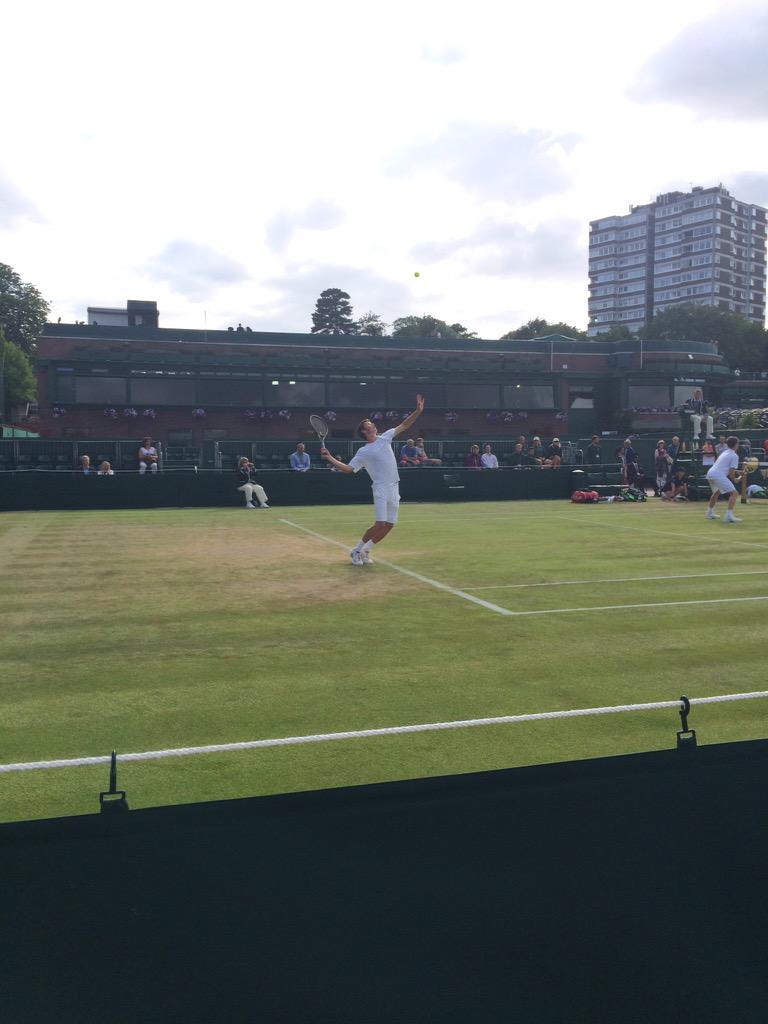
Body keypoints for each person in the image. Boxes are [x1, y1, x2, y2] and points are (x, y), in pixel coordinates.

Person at [320, 395, 424, 565]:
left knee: (390, 524)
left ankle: (367, 549)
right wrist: (330, 458)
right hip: (381, 488)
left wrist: (418, 411)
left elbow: (405, 424)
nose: (374, 426)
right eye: (370, 425)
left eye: (373, 425)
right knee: (380, 523)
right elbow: (349, 469)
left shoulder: (386, 437)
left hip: (394, 487)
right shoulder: (363, 451)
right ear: (364, 431)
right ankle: (356, 550)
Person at [705, 435, 743, 523]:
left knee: (716, 492)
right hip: (718, 475)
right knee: (734, 493)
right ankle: (728, 516)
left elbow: (726, 467)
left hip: (711, 473)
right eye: (738, 443)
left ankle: (709, 513)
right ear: (736, 444)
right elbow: (731, 472)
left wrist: (737, 472)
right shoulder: (734, 455)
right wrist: (735, 479)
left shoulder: (725, 452)